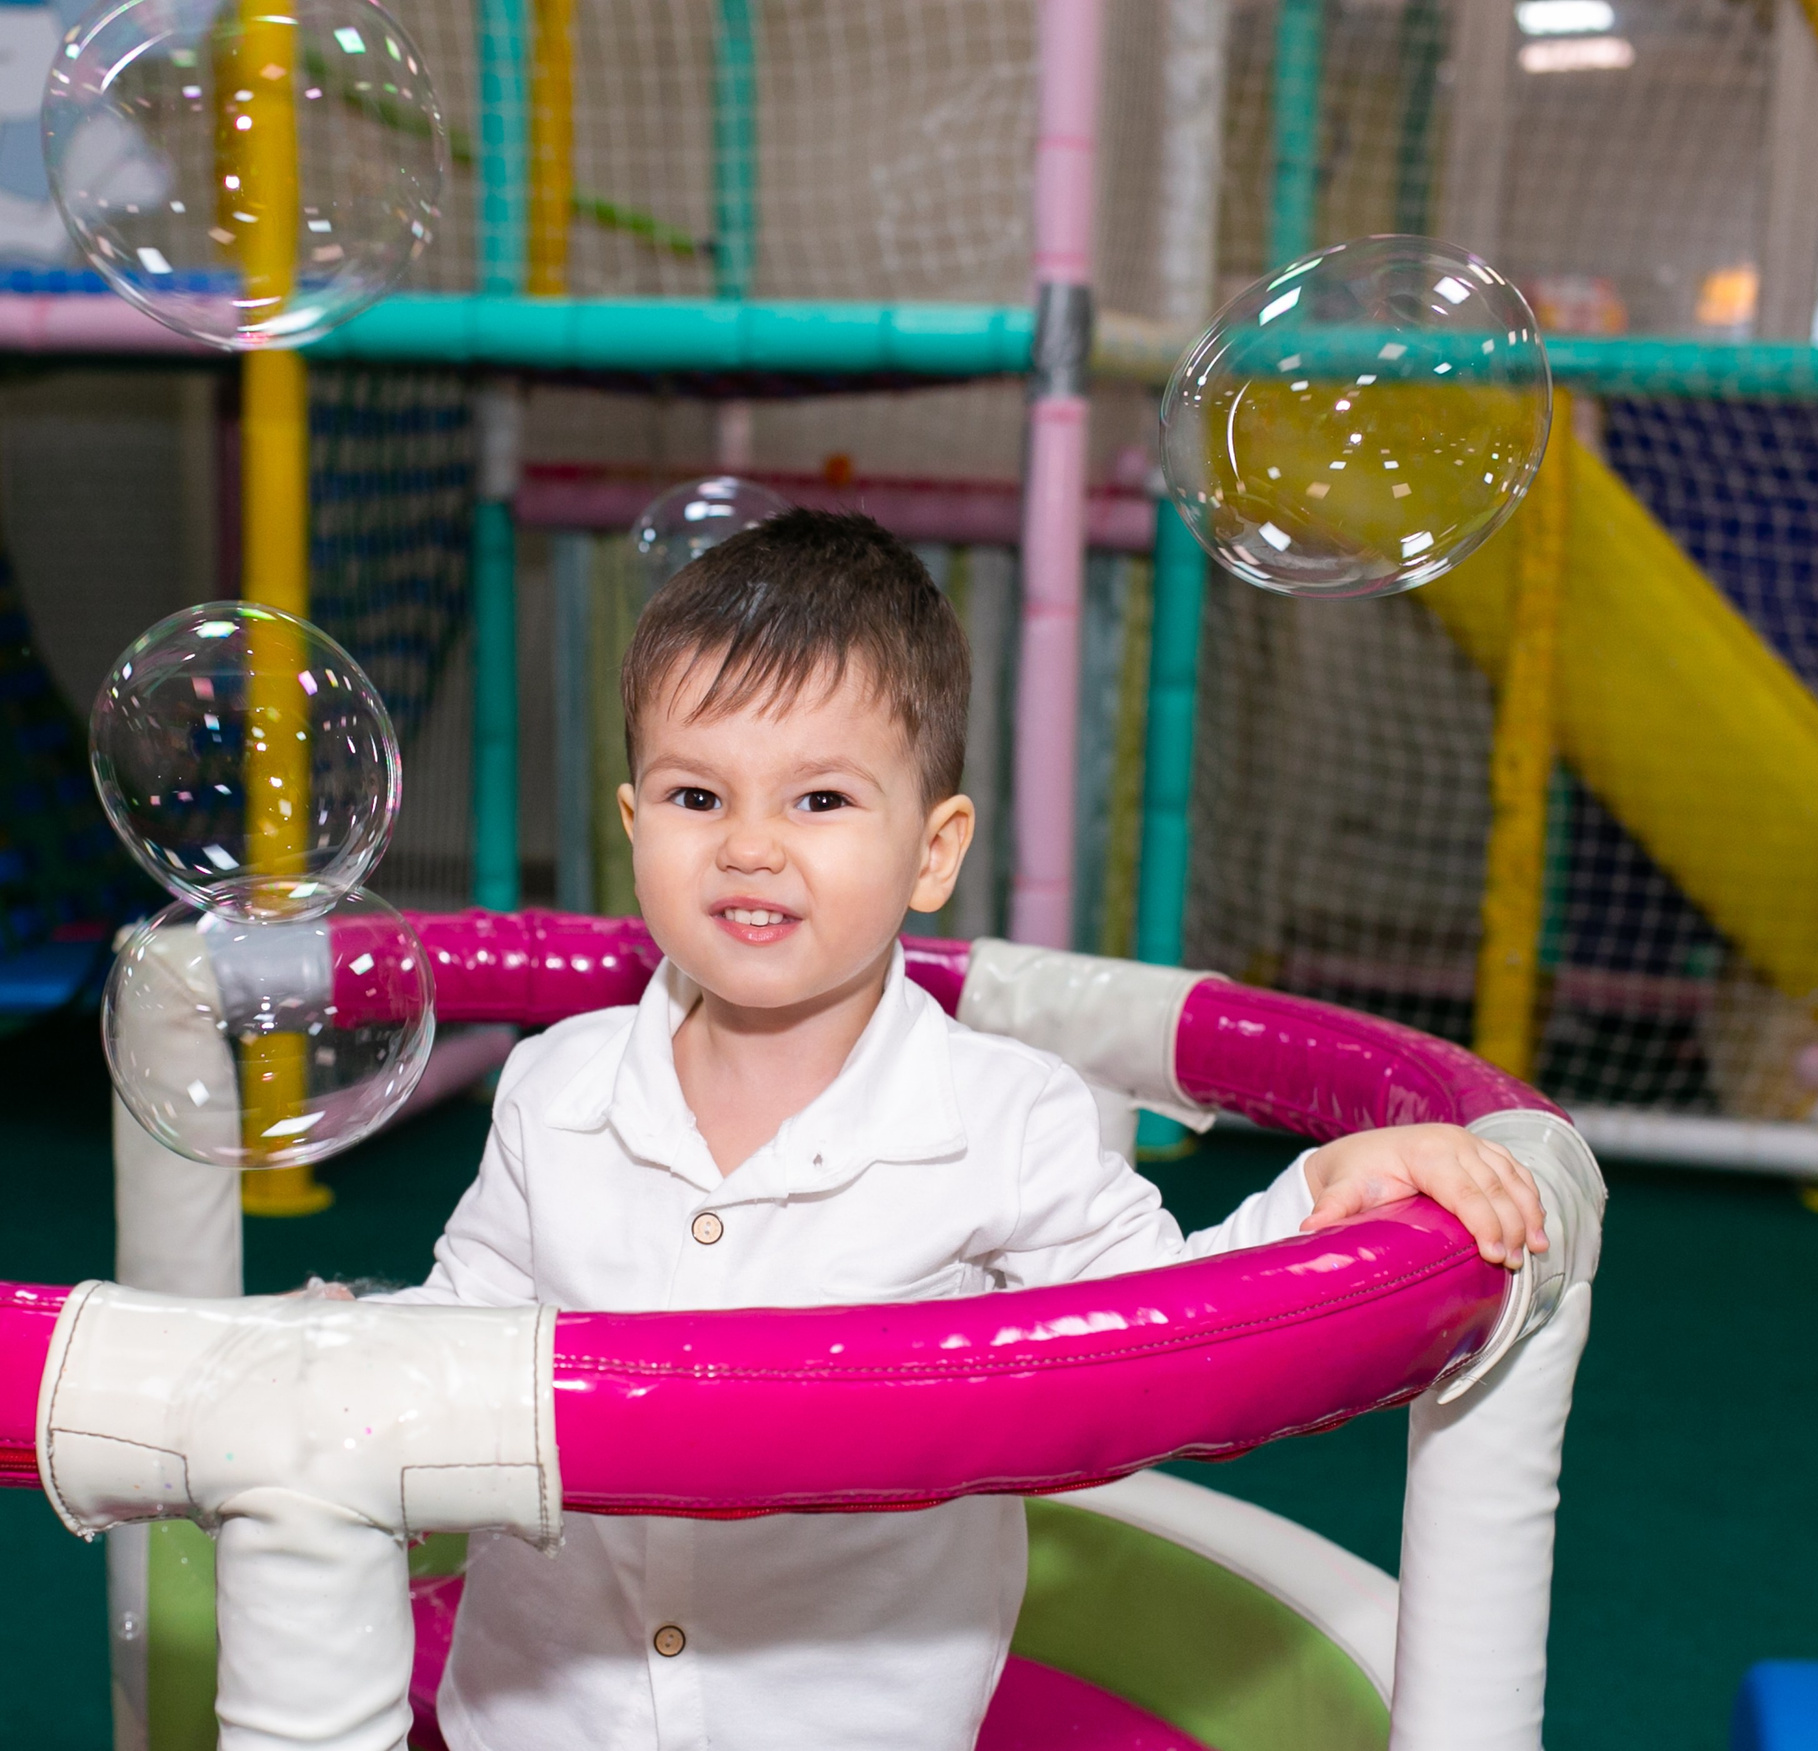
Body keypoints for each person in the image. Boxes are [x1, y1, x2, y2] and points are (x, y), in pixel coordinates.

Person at [387, 509, 1547, 1751]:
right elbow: (457, 1331)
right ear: (632, 827)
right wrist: (302, 1367)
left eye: (820, 797)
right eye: (695, 794)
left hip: (845, 1721)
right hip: (543, 1712)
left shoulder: (1002, 1116)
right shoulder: (554, 1087)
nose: (749, 844)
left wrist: (1329, 1183)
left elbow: (1158, 1322)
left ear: (932, 851)